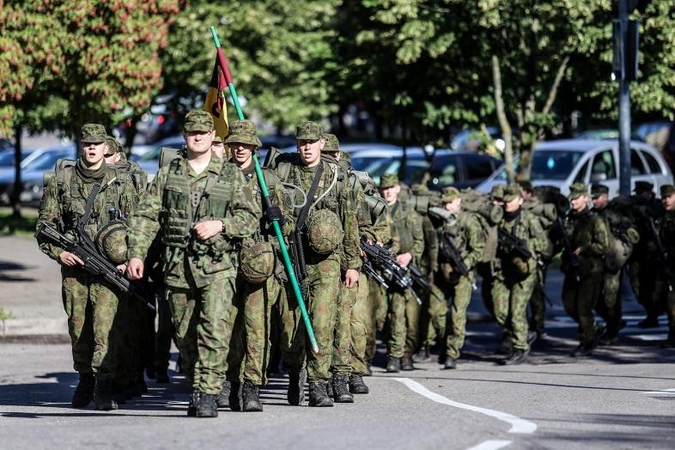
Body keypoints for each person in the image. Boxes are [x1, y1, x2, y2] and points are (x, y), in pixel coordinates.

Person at [125, 110, 260, 418]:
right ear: (185, 137)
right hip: (176, 268)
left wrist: (221, 225)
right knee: (185, 336)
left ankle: (208, 393)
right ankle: (197, 383)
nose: (197, 137)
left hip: (218, 266)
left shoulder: (230, 174)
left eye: (203, 132)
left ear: (213, 136)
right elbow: (146, 216)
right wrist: (136, 253)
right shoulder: (168, 174)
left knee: (214, 329)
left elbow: (250, 217)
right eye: (191, 133)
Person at [36, 123, 140, 411]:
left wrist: (129, 257)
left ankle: (103, 385)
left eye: (97, 144)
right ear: (80, 146)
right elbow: (44, 227)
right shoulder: (62, 180)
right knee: (78, 328)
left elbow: (138, 225)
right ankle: (85, 379)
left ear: (106, 147)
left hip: (110, 269)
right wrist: (59, 253)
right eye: (86, 144)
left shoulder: (120, 182)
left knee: (107, 329)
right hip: (75, 271)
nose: (92, 148)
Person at [271, 121, 361, 407]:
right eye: (301, 142)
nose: (306, 147)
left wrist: (352, 263)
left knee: (321, 322)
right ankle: (296, 371)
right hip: (289, 256)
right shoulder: (283, 171)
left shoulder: (337, 176)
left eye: (312, 142)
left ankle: (318, 384)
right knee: (289, 326)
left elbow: (349, 222)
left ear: (322, 143)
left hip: (326, 261)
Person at [225, 119, 292, 411]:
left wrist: (278, 220)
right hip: (225, 259)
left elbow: (285, 229)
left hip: (259, 261)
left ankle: (252, 385)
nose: (240, 149)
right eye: (235, 144)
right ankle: (229, 382)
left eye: (246, 145)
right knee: (227, 325)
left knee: (256, 326)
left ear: (254, 147)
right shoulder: (220, 177)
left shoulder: (269, 180)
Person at [492, 184, 548, 365]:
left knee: (517, 312)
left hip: (525, 271)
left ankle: (520, 348)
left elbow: (543, 244)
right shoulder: (499, 219)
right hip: (505, 271)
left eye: (512, 201)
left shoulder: (529, 219)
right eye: (506, 201)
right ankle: (523, 334)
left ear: (520, 201)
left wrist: (526, 245)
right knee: (500, 311)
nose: (508, 204)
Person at [378, 173, 424, 372]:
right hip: (380, 270)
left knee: (402, 315)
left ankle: (400, 355)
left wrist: (409, 255)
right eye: (384, 188)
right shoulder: (377, 211)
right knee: (381, 316)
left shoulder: (408, 213)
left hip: (402, 270)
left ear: (397, 188)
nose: (387, 191)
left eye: (390, 187)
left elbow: (420, 241)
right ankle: (395, 350)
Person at [436, 187, 485, 369]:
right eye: (445, 203)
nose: (447, 206)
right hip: (441, 272)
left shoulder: (469, 220)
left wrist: (464, 263)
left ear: (458, 201)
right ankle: (443, 344)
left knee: (457, 315)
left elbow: (478, 248)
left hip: (462, 274)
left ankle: (452, 353)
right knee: (436, 314)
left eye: (450, 202)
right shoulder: (438, 220)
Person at [561, 183, 610, 357]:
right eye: (571, 199)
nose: (572, 202)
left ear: (585, 198)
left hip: (591, 269)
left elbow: (603, 246)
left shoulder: (594, 220)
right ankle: (593, 328)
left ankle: (587, 340)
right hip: (572, 269)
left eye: (576, 199)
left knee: (583, 307)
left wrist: (585, 248)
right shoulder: (569, 219)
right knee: (568, 303)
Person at [656, 184, 675, 348]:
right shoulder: (663, 216)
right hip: (669, 265)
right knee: (669, 301)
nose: (666, 200)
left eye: (669, 197)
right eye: (664, 197)